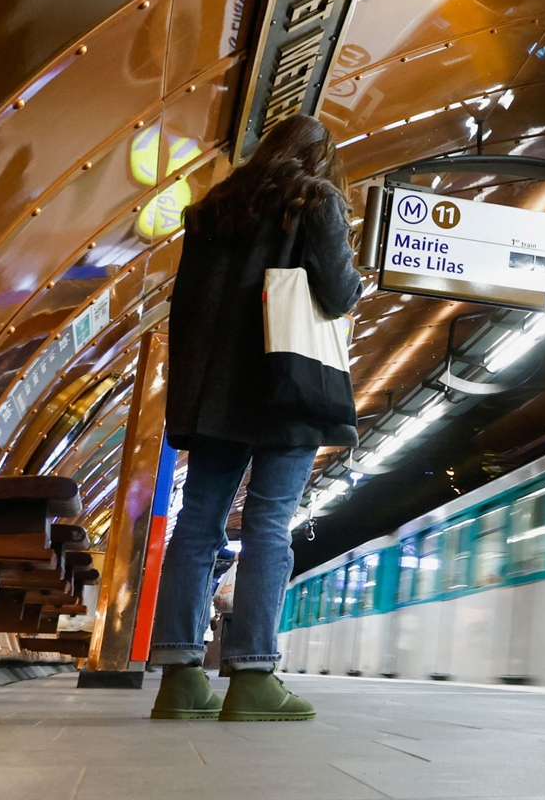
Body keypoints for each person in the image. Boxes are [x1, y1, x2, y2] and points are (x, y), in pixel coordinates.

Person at [148, 115, 362, 722]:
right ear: (321, 159)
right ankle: (253, 677)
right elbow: (339, 293)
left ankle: (179, 677)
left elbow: (185, 308)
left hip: (215, 392)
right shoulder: (315, 199)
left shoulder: (211, 209)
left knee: (197, 526)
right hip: (285, 385)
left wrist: (191, 396)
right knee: (268, 524)